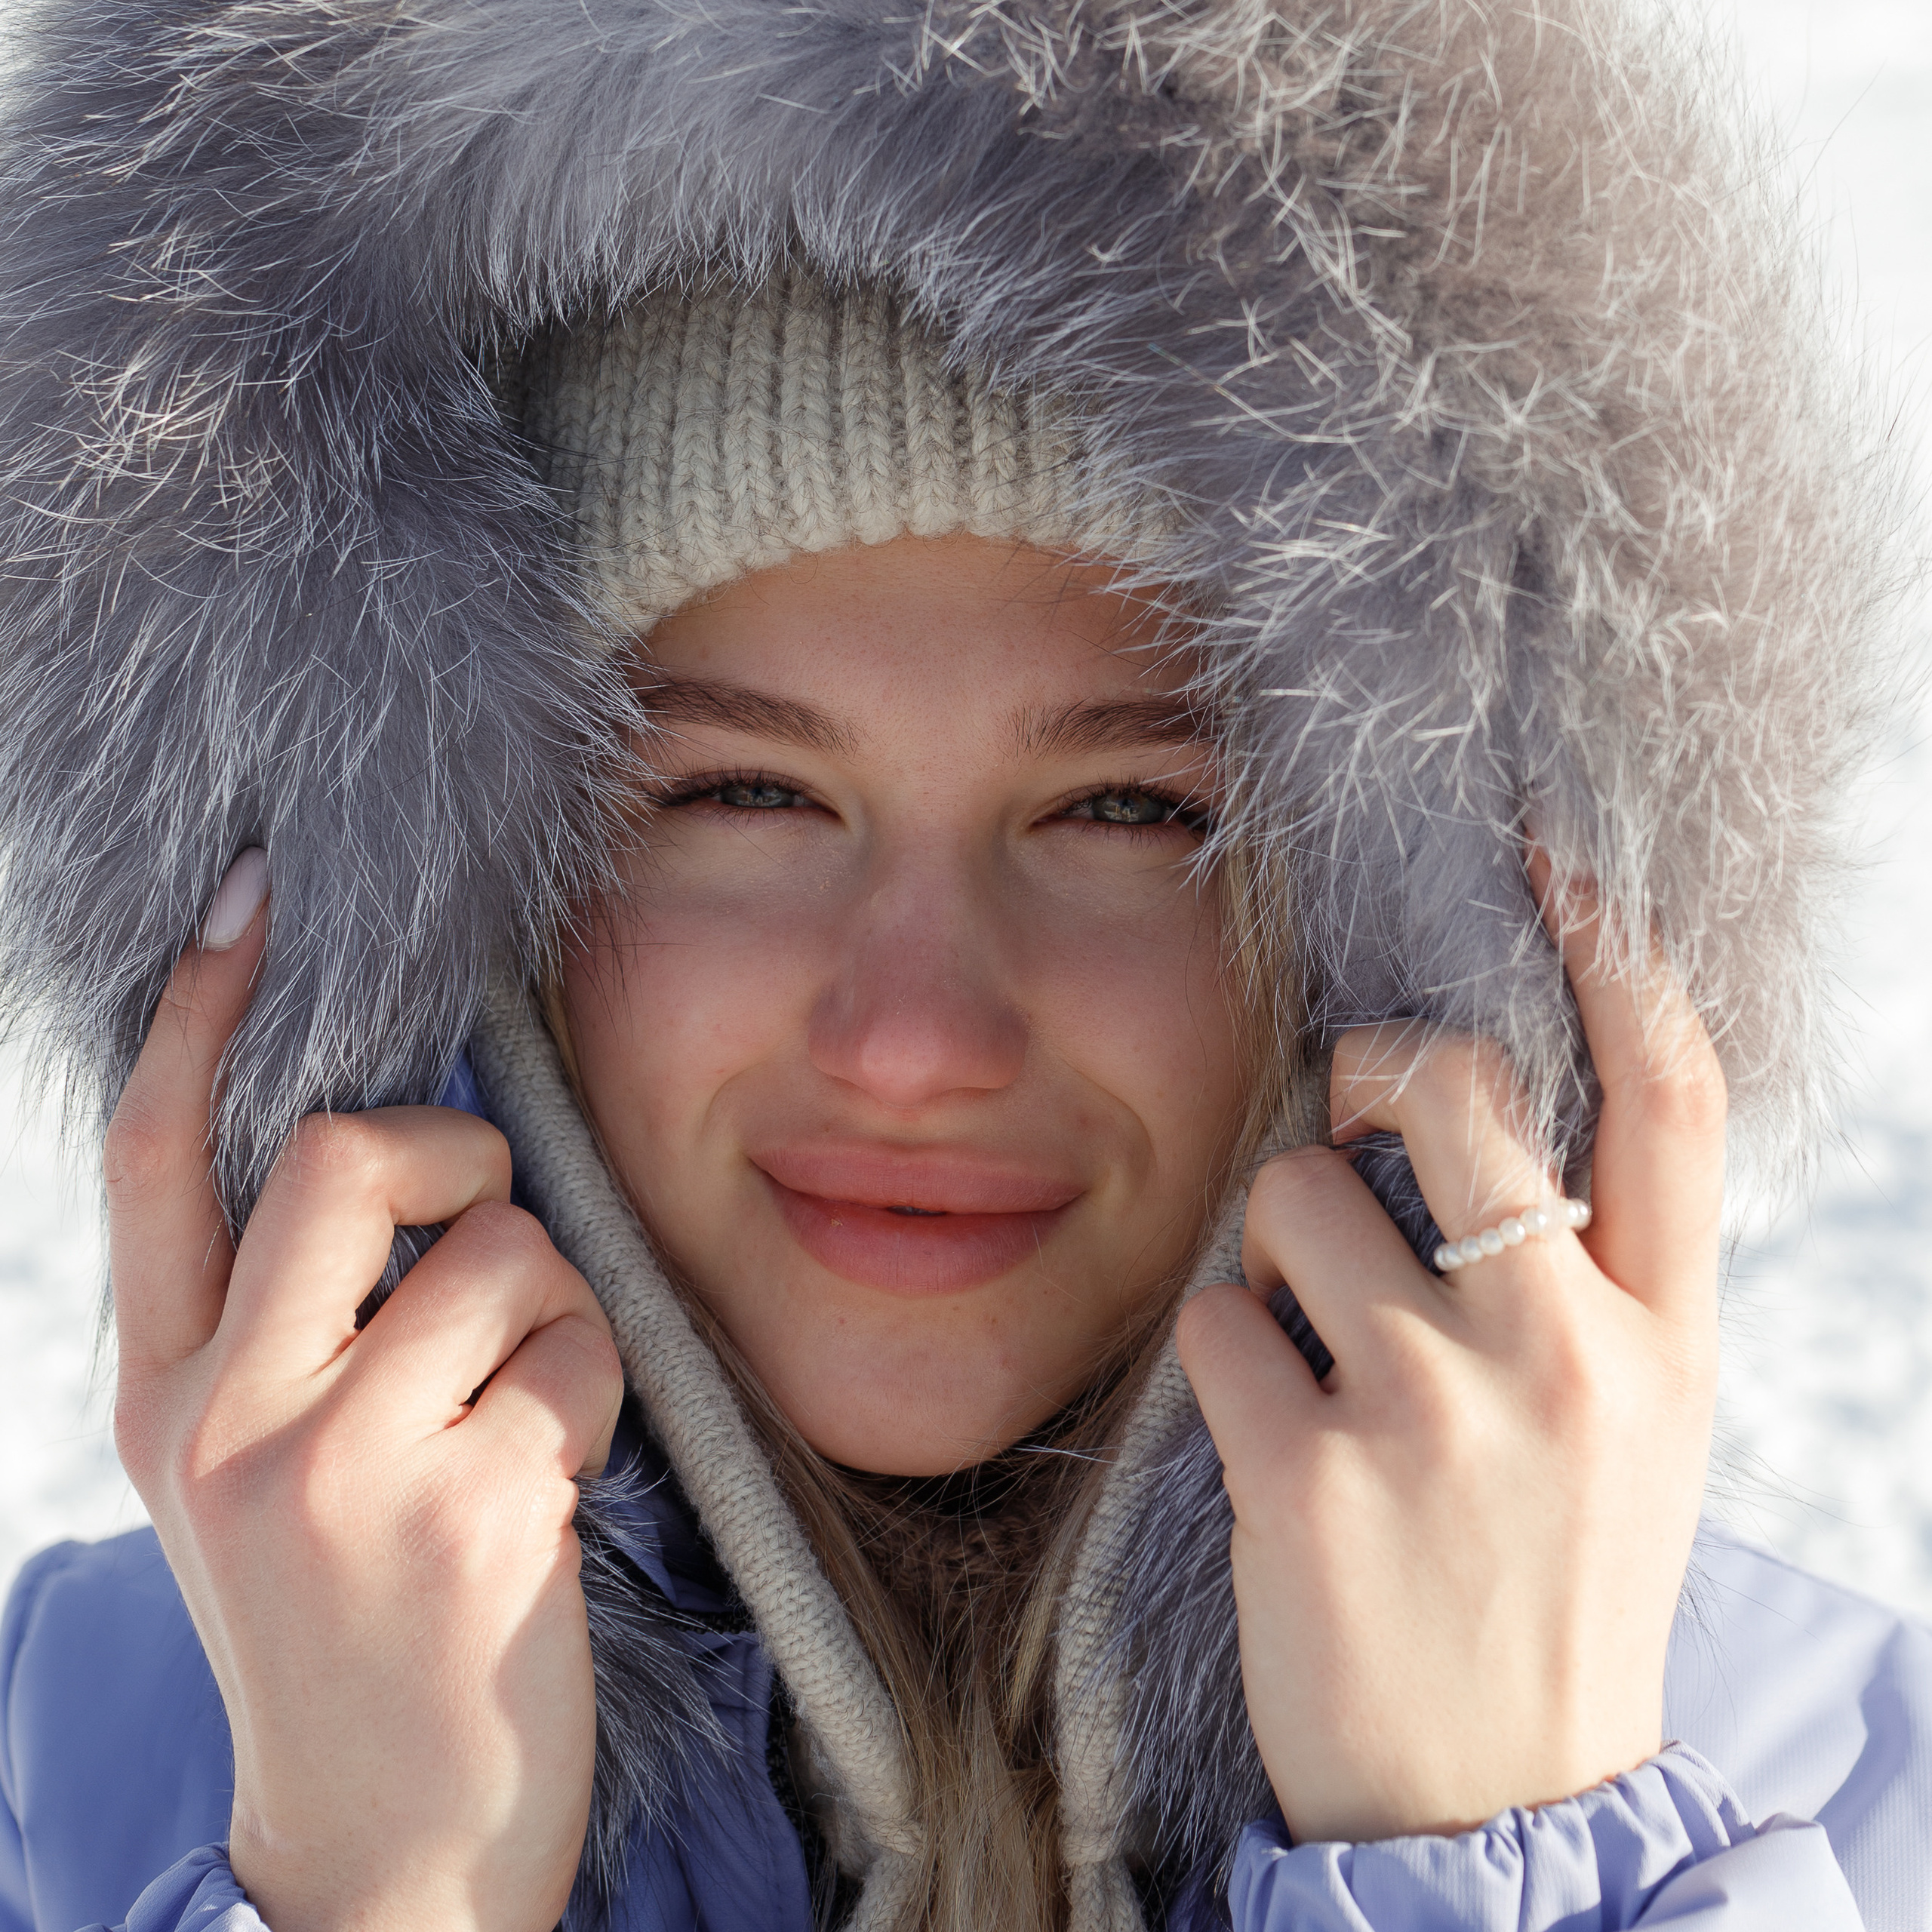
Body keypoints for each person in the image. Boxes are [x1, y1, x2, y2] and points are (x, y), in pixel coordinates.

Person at [0, 3, 1925, 1930]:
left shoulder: (1842, 1798)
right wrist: (365, 1885)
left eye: (1127, 812)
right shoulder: (76, 1762)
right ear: (451, 889)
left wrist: (1520, 1847)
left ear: (1401, 918)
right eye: (743, 789)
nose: (911, 1040)